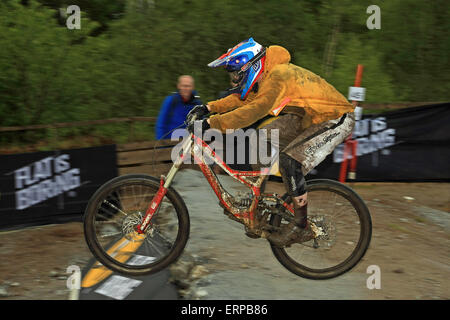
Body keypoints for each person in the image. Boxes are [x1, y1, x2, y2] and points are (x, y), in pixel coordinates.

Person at [187, 38, 355, 247]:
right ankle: (256, 207)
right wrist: (209, 108)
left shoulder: (278, 75)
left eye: (236, 74)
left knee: (289, 161)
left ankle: (301, 225)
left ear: (250, 66)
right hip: (306, 118)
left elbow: (254, 111)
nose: (235, 80)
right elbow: (244, 99)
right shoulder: (267, 76)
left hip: (334, 118)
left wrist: (212, 123)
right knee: (260, 138)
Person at [155, 75, 202, 140]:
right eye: (183, 86)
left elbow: (201, 124)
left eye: (188, 86)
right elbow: (161, 123)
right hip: (170, 143)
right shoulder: (171, 100)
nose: (186, 88)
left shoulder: (197, 104)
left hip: (188, 144)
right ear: (179, 86)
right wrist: (161, 144)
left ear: (192, 87)